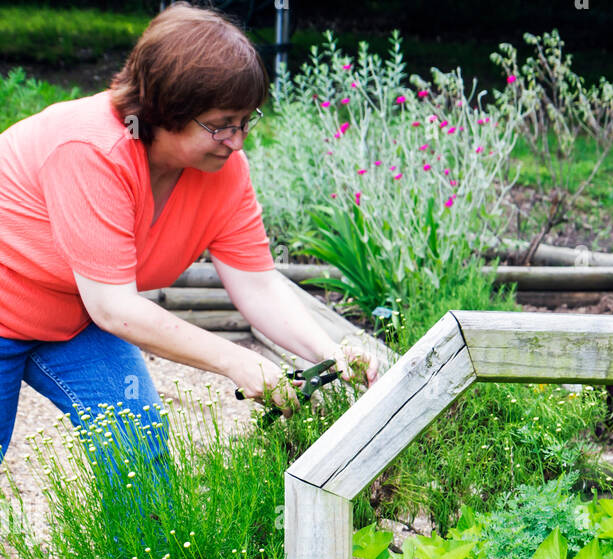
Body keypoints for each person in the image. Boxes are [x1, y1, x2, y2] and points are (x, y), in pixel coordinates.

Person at [0, 2, 378, 484]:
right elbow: (115, 308)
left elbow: (258, 284)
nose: (237, 141)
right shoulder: (91, 150)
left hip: (72, 317)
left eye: (246, 121)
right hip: (13, 303)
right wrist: (237, 360)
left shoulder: (222, 172)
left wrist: (330, 351)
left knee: (142, 455)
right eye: (222, 124)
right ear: (164, 110)